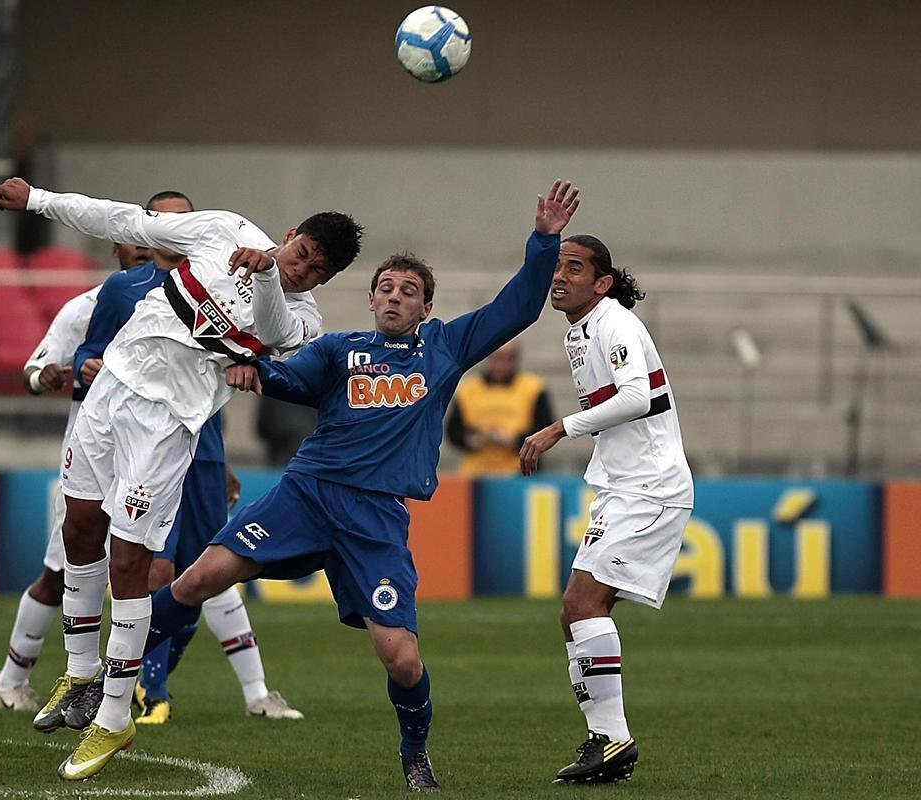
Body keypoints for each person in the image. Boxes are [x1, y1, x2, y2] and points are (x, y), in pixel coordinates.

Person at [140, 180, 580, 791]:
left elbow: (519, 307)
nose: (396, 298)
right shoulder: (339, 351)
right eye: (387, 288)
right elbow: (285, 379)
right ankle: (107, 684)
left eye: (410, 292)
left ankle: (415, 752)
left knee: (401, 657)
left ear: (426, 308)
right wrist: (251, 367)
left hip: (374, 518)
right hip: (307, 493)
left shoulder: (445, 348)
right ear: (372, 299)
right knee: (198, 578)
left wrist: (544, 241)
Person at [0, 177, 362, 781]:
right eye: (301, 254)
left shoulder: (302, 320)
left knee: (130, 560)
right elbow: (129, 223)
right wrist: (38, 200)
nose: (302, 271)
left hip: (167, 428)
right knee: (80, 533)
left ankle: (113, 718)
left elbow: (268, 334)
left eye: (316, 271)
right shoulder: (224, 230)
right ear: (291, 235)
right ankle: (81, 676)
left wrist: (269, 275)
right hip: (107, 397)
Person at [64, 195, 303, 729]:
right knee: (154, 564)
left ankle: (252, 689)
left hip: (198, 440)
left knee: (209, 566)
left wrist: (222, 459)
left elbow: (268, 349)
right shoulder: (122, 290)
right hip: (131, 428)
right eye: (162, 219)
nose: (169, 229)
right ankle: (141, 688)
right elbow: (85, 352)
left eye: (180, 216)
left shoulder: (231, 272)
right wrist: (82, 369)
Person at [0, 191, 194, 712]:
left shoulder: (202, 302)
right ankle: (15, 677)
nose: (148, 248)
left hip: (155, 450)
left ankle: (124, 689)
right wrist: (59, 374)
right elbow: (36, 370)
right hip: (93, 444)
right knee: (62, 571)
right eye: (140, 237)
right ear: (121, 246)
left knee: (158, 567)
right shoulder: (90, 304)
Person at [517, 235, 694, 784]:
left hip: (649, 488)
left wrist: (556, 429)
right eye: (557, 267)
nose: (559, 277)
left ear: (602, 283)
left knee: (583, 604)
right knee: (576, 612)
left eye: (575, 268)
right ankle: (607, 742)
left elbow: (637, 396)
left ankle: (613, 740)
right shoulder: (582, 330)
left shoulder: (615, 324)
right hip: (626, 487)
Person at [445, 339, 555, 475]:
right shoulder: (468, 389)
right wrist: (472, 440)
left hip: (520, 472)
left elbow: (545, 429)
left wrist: (515, 441)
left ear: (515, 359)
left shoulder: (533, 388)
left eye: (508, 358)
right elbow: (453, 430)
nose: (501, 364)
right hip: (477, 472)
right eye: (497, 358)